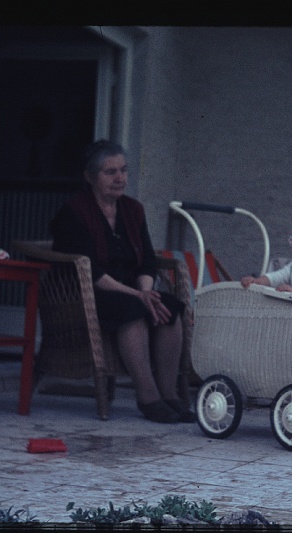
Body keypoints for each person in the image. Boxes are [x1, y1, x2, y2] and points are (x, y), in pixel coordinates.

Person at [49, 140, 193, 424]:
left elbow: (147, 261)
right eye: (110, 172)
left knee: (169, 307)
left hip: (131, 290)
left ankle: (170, 394)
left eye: (124, 171)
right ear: (90, 177)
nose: (120, 178)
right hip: (90, 293)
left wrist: (146, 292)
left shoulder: (133, 210)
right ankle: (148, 396)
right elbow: (90, 270)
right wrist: (138, 298)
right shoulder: (74, 212)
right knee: (133, 309)